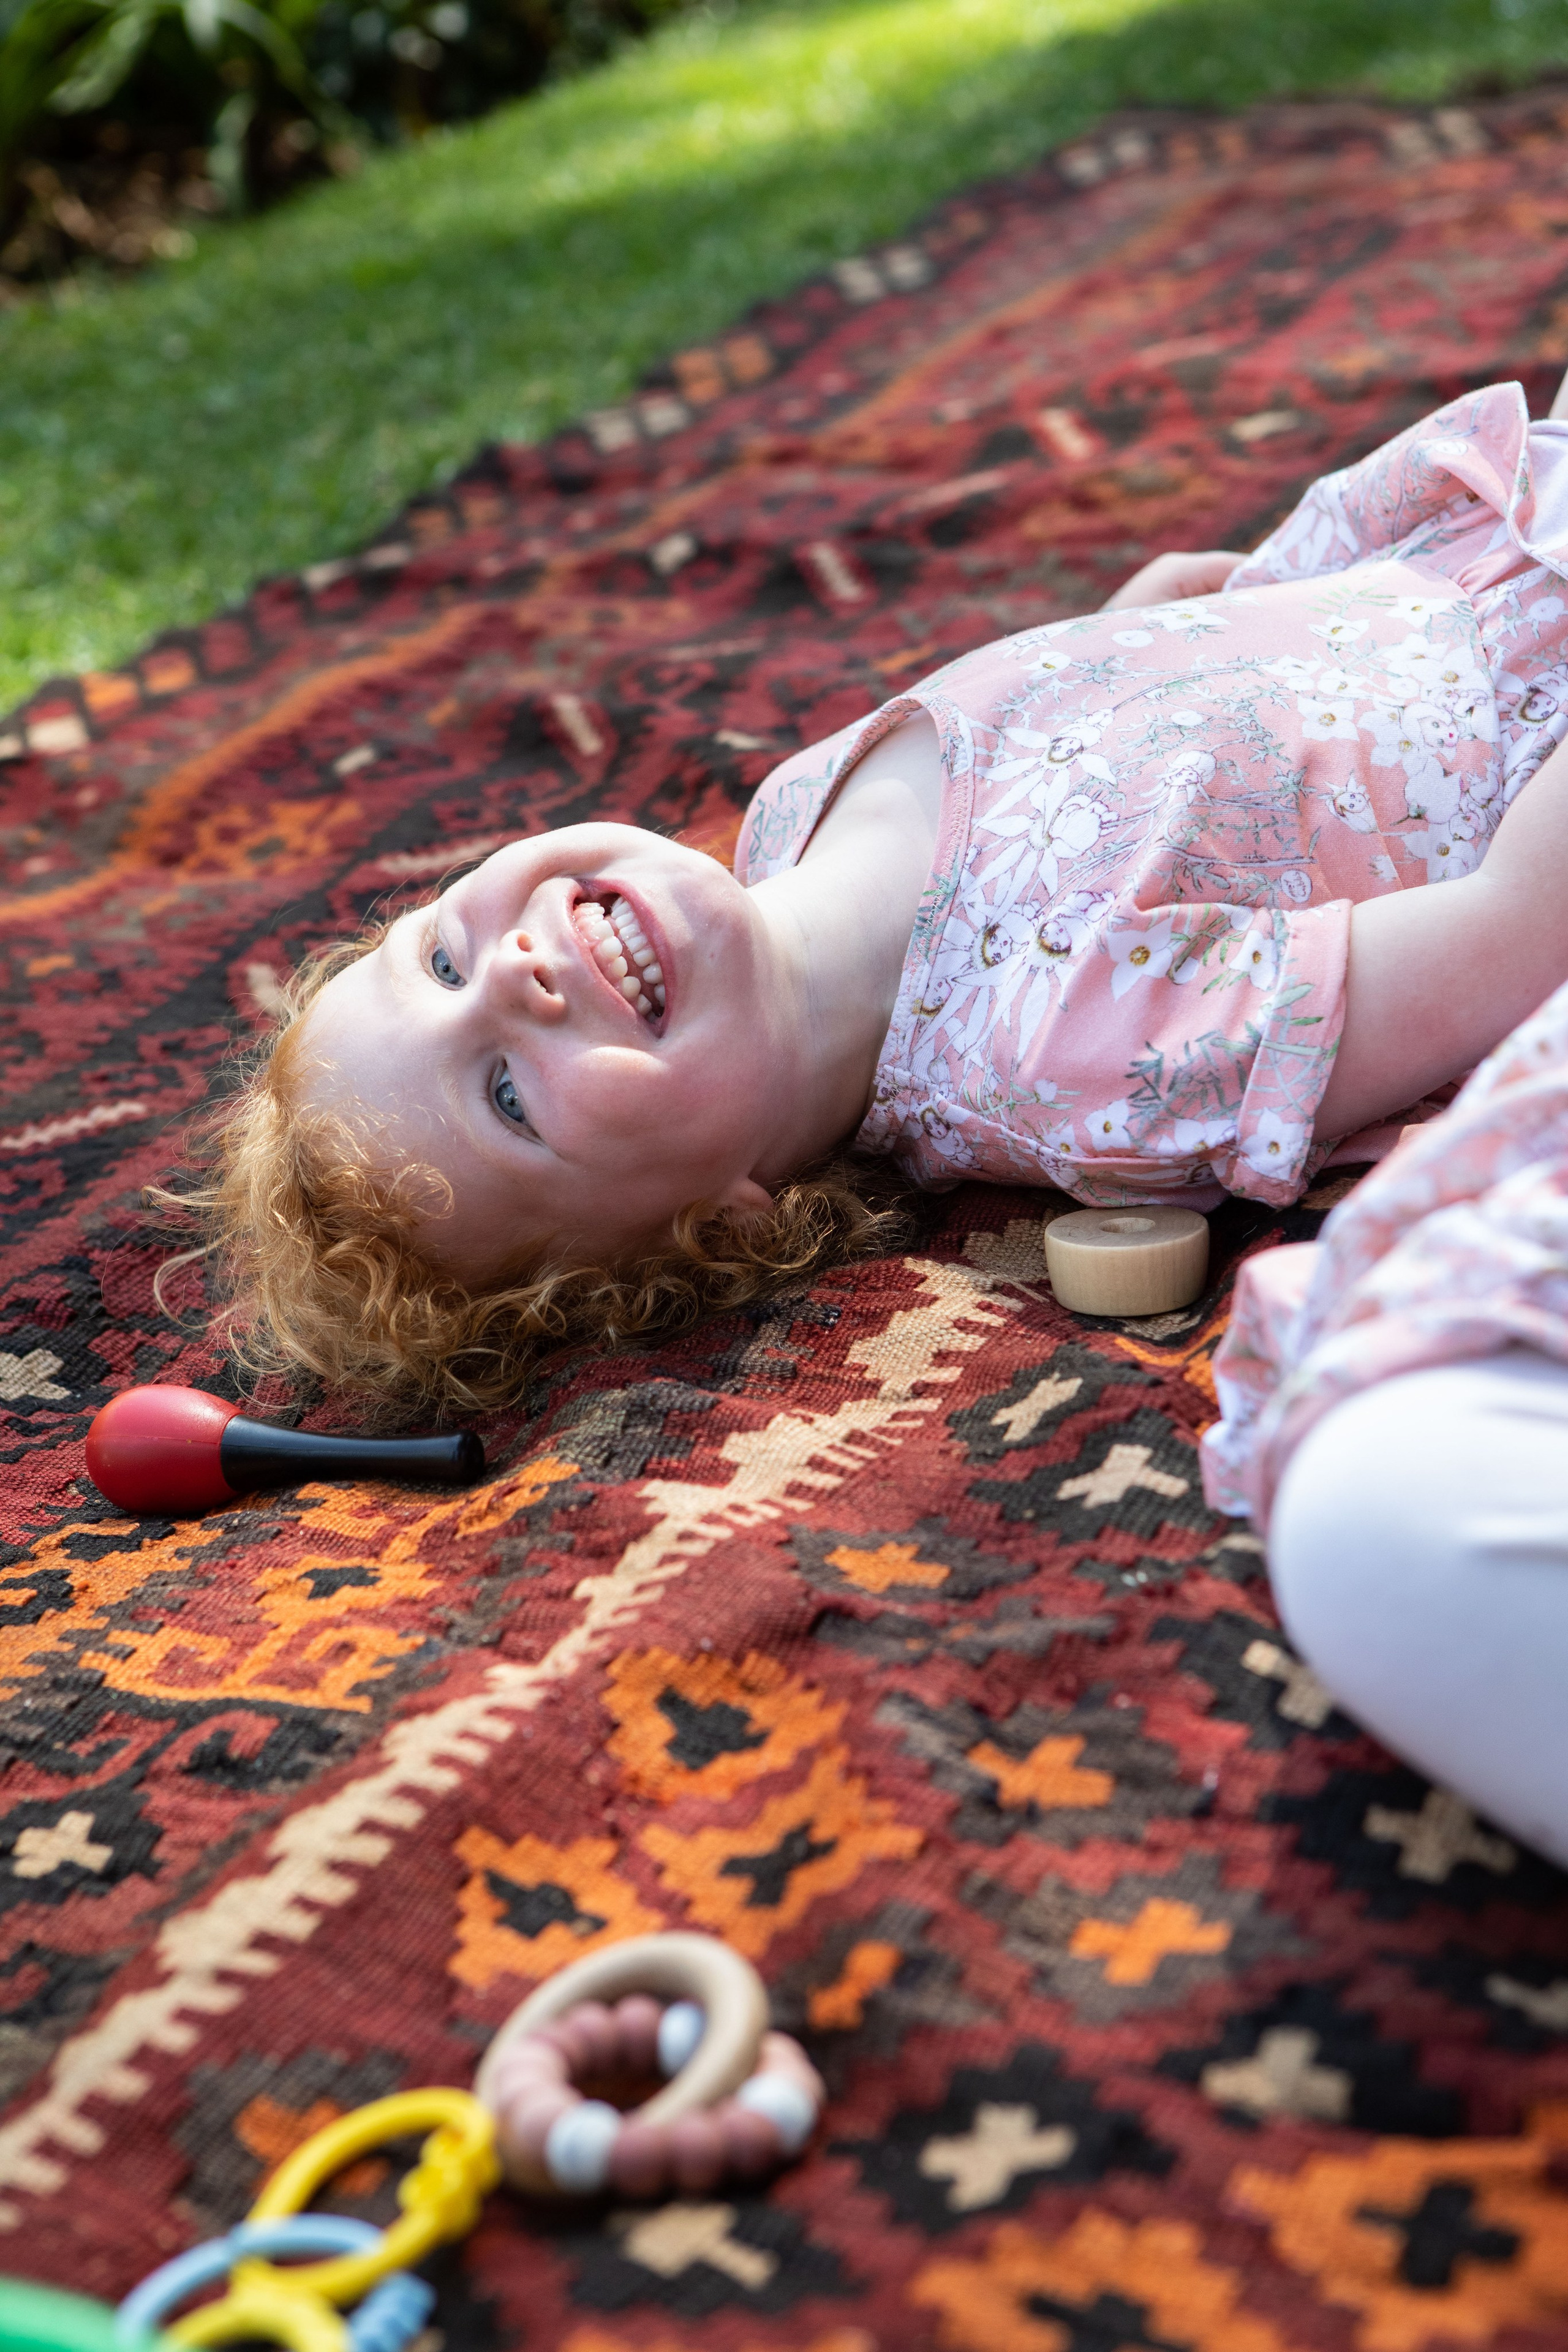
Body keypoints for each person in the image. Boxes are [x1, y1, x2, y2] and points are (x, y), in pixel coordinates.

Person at [168, 379, 1568, 1419]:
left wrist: (1129, 635)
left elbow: (1098, 755)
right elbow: (1508, 940)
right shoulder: (1061, 1059)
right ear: (727, 1224)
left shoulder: (796, 809)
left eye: (438, 956)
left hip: (1465, 555)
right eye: (508, 1095)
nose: (513, 977)